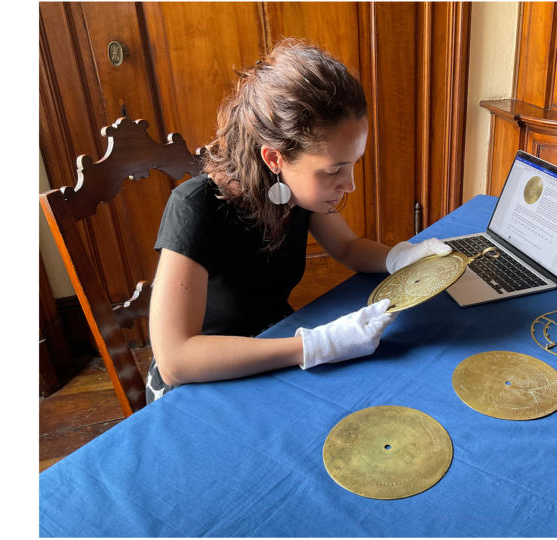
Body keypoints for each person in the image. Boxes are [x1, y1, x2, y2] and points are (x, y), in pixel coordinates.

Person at [145, 39, 450, 403]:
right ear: (275, 159)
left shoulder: (293, 190)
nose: (349, 184)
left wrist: (399, 258)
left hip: (274, 343)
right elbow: (175, 359)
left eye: (353, 164)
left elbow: (349, 248)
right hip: (204, 379)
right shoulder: (195, 207)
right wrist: (315, 345)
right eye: (334, 170)